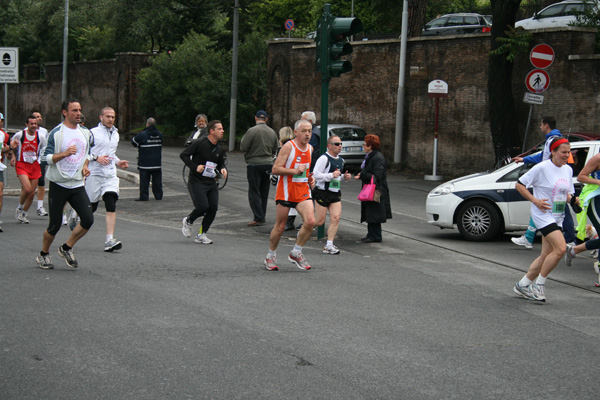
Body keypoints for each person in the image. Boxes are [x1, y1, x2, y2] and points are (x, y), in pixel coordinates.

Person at [513, 137, 578, 302]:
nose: (567, 155)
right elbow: (519, 185)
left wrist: (574, 200)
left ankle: (522, 285)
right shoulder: (541, 168)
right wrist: (535, 201)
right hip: (542, 214)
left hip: (558, 216)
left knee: (546, 255)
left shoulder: (567, 170)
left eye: (568, 152)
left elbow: (566, 194)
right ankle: (539, 285)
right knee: (561, 248)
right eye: (563, 152)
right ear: (553, 152)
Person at [36, 99, 94, 269]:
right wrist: (64, 154)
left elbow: (87, 153)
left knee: (88, 220)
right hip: (59, 184)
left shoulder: (85, 133)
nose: (78, 113)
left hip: (76, 184)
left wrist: (85, 166)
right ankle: (43, 254)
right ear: (65, 112)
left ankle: (66, 248)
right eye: (74, 110)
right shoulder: (56, 133)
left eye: (79, 110)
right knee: (54, 226)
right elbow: (44, 158)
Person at [511, 116, 576, 249]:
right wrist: (524, 160)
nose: (567, 155)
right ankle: (531, 237)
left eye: (541, 125)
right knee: (548, 209)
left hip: (550, 181)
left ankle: (568, 240)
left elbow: (544, 159)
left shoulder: (553, 142)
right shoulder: (554, 140)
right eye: (565, 152)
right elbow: (542, 156)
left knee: (555, 209)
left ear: (546, 125)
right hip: (552, 182)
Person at [264, 119, 315, 271]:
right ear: (296, 132)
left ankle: (296, 252)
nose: (307, 134)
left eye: (310, 131)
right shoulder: (288, 147)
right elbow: (275, 169)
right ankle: (270, 256)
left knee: (311, 221)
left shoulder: (311, 149)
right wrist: (294, 171)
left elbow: (306, 169)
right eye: (304, 131)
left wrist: (310, 179)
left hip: (302, 191)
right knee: (280, 226)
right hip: (286, 191)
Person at [84, 107, 129, 252]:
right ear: (101, 117)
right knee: (91, 208)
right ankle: (76, 213)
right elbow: (84, 152)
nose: (110, 119)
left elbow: (111, 154)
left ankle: (109, 240)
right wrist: (96, 158)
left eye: (113, 117)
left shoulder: (115, 134)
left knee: (111, 202)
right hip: (95, 174)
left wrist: (118, 162)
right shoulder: (92, 133)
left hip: (109, 175)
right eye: (108, 116)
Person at [180, 120, 227, 244]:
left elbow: (221, 162)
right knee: (202, 207)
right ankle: (188, 220)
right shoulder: (200, 143)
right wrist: (195, 167)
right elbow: (184, 155)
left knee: (213, 208)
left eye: (222, 129)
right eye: (219, 129)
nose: (222, 131)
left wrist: (222, 169)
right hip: (197, 181)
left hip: (210, 181)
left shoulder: (219, 148)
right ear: (212, 131)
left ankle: (202, 234)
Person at [563, 147, 600, 287]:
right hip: (596, 199)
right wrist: (599, 182)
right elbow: (581, 176)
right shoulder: (597, 158)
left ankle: (574, 250)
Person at [313, 135, 352, 254]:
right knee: (320, 221)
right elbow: (315, 175)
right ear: (329, 146)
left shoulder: (341, 160)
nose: (340, 146)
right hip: (322, 192)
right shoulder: (324, 159)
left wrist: (345, 177)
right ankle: (305, 227)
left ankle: (329, 245)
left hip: (335, 193)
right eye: (337, 144)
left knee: (336, 218)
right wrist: (330, 176)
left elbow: (338, 176)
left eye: (341, 144)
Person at [240, 110, 279, 226]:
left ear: (255, 118)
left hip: (254, 163)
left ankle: (258, 217)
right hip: (268, 163)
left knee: (254, 191)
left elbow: (243, 146)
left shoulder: (252, 131)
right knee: (264, 191)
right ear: (266, 119)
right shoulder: (272, 132)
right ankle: (262, 214)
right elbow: (275, 148)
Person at [355, 134, 392, 243]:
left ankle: (375, 235)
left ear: (370, 146)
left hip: (376, 190)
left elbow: (377, 175)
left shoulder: (377, 158)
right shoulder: (370, 157)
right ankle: (371, 234)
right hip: (371, 188)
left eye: (365, 144)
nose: (363, 146)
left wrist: (362, 175)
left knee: (375, 212)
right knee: (370, 211)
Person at [10, 116, 47, 224]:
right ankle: (20, 207)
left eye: (35, 124)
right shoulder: (20, 135)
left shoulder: (40, 137)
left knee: (31, 192)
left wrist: (41, 160)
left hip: (34, 165)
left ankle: (23, 214)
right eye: (31, 124)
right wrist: (13, 156)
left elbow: (44, 149)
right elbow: (12, 146)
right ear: (27, 125)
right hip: (22, 164)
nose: (34, 126)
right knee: (27, 188)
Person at [131, 118, 163, 201]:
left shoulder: (143, 134)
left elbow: (134, 142)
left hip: (145, 163)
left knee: (144, 181)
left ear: (147, 124)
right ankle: (158, 196)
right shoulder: (160, 134)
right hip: (157, 162)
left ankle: (144, 196)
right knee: (157, 181)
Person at [0, 113, 15, 232]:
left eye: (2, 120)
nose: (1, 122)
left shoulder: (4, 135)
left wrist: (10, 149)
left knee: (0, 194)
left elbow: (4, 150)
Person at [32, 111, 49, 217]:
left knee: (41, 182)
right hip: (28, 162)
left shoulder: (44, 131)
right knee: (29, 187)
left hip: (40, 161)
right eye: (37, 117)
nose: (39, 119)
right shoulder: (24, 132)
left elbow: (46, 146)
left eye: (40, 117)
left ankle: (40, 206)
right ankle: (24, 204)